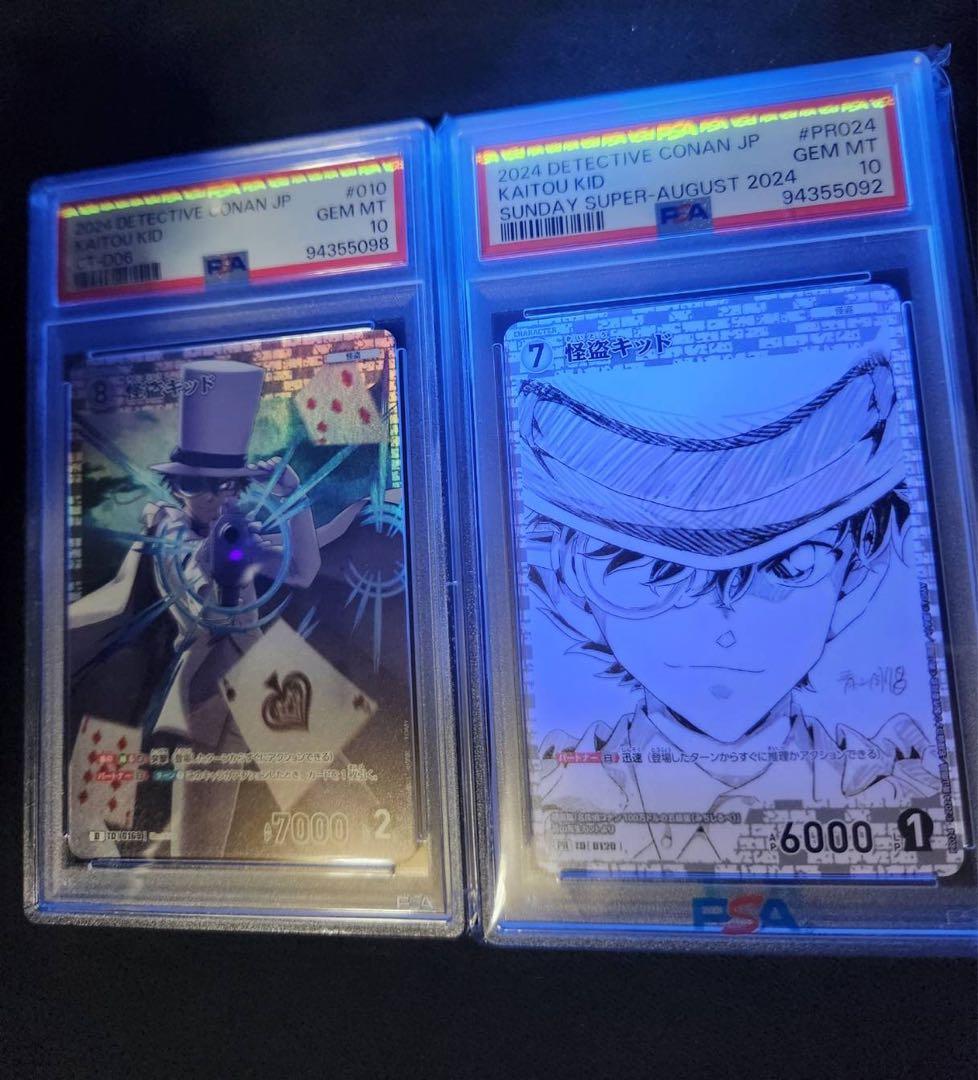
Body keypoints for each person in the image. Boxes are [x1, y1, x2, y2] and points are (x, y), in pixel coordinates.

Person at [518, 349, 942, 865]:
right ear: (567, 580)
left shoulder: (905, 793)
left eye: (790, 565)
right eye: (654, 571)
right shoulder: (539, 799)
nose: (723, 630)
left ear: (860, 565)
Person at [69, 359, 364, 857]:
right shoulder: (165, 528)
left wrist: (293, 498)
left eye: (224, 484)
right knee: (195, 850)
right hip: (203, 691)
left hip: (268, 683)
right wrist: (211, 559)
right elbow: (185, 577)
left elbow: (303, 568)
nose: (212, 495)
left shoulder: (241, 536)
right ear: (178, 486)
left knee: (358, 810)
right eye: (198, 483)